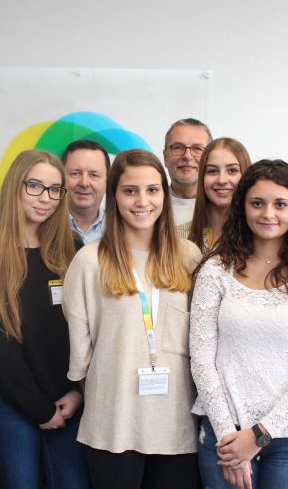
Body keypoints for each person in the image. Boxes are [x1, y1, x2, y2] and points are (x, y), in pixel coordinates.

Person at [190, 160, 288, 489]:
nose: (268, 213)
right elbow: (201, 360)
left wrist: (259, 435)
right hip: (224, 433)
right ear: (242, 207)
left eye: (280, 204)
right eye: (257, 203)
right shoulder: (216, 270)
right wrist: (232, 441)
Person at [63, 149, 202, 489]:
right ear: (113, 196)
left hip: (176, 424)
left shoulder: (189, 257)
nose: (143, 201)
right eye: (130, 191)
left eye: (152, 190)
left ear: (164, 196)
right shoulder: (88, 261)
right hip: (114, 420)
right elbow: (80, 355)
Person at [0, 149, 89, 489]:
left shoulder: (72, 249)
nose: (45, 198)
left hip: (68, 401)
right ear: (15, 187)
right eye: (35, 186)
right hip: (12, 404)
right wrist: (39, 408)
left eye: (54, 189)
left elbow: (87, 331)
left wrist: (78, 393)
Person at [188, 137, 251, 253]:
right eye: (212, 171)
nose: (222, 180)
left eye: (232, 170)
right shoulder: (179, 236)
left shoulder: (259, 238)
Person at [162, 118, 212, 238]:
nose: (187, 156)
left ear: (210, 157)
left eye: (198, 149)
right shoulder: (149, 207)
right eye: (178, 147)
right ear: (165, 157)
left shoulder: (225, 209)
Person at [61, 140, 110, 243]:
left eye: (94, 175)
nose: (84, 183)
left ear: (108, 182)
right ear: (61, 178)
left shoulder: (120, 229)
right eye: (75, 173)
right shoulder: (42, 225)